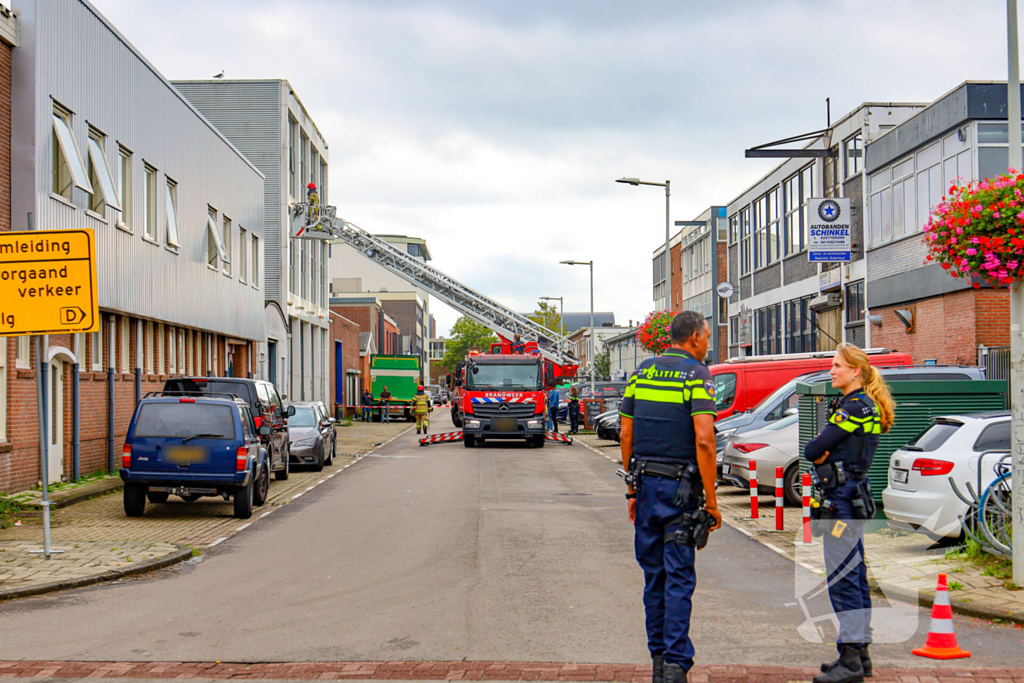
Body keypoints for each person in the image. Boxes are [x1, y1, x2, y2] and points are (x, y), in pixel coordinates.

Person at [619, 311, 721, 683]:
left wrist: (631, 489)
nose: (708, 344)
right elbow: (705, 440)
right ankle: (677, 664)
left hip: (645, 488)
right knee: (679, 578)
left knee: (654, 578)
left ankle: (658, 661)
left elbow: (626, 433)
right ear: (694, 337)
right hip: (680, 493)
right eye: (707, 337)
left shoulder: (642, 373)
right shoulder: (697, 375)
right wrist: (711, 500)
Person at [805, 344, 893, 683]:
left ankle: (852, 663)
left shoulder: (854, 406)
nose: (832, 370)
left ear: (855, 371)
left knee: (843, 579)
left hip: (842, 501)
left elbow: (813, 448)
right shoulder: (865, 405)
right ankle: (859, 655)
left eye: (837, 365)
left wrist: (822, 454)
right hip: (853, 496)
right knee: (854, 577)